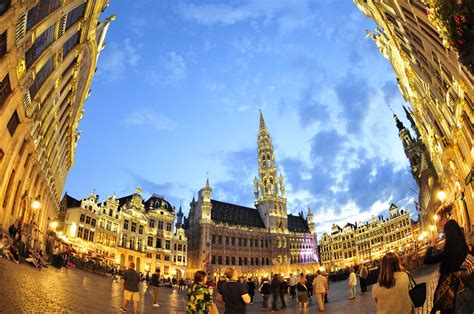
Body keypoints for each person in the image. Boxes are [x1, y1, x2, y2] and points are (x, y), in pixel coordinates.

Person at [424, 219, 469, 313]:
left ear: (448, 234)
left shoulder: (447, 252)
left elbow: (427, 260)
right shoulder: (465, 247)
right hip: (463, 290)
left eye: (445, 233)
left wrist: (432, 244)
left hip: (448, 293)